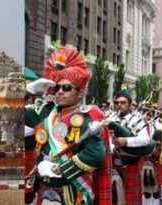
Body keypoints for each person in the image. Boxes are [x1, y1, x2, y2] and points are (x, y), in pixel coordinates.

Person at [25, 48, 106, 205]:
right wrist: (27, 92)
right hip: (43, 188)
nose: (60, 92)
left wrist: (59, 169)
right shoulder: (46, 113)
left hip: (71, 191)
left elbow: (95, 155)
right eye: (57, 88)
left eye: (66, 88)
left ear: (80, 93)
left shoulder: (85, 119)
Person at [109, 89, 154, 205]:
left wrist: (126, 141)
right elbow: (105, 138)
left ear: (129, 104)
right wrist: (111, 148)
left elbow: (145, 140)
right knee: (115, 198)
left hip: (131, 164)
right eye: (117, 102)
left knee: (131, 200)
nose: (119, 105)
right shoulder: (110, 119)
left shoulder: (138, 120)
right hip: (113, 164)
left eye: (123, 102)